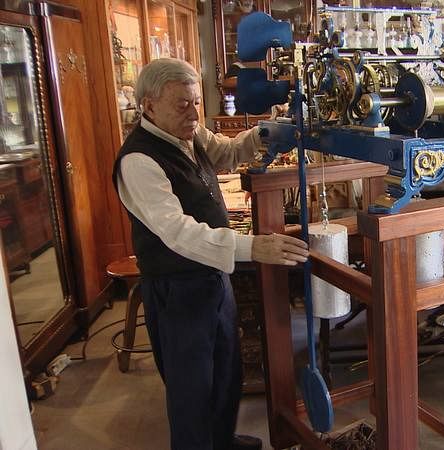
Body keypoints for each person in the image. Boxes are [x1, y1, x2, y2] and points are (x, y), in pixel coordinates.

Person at [112, 58, 308, 450]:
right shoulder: (138, 161)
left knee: (225, 373)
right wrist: (252, 247)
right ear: (149, 106)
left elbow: (228, 153)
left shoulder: (188, 132)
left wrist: (270, 129)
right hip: (177, 287)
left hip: (213, 275)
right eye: (182, 105)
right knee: (191, 390)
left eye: (197, 103)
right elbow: (178, 233)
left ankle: (222, 440)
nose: (194, 113)